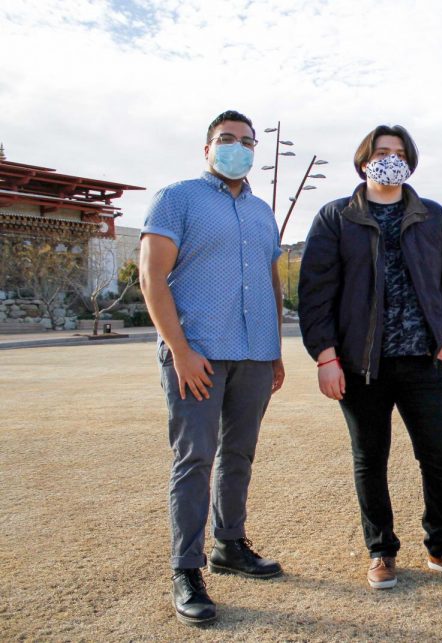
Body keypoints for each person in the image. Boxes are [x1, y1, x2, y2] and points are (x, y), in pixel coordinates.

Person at [298, 124, 442, 590]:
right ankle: (381, 550)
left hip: (425, 361)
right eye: (382, 152)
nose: (390, 159)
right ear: (364, 160)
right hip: (361, 365)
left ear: (410, 162)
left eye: (399, 153)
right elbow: (316, 295)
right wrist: (325, 356)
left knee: (439, 456)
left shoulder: (434, 217)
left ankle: (441, 546)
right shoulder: (336, 218)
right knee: (370, 458)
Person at [140, 110, 285, 626]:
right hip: (197, 354)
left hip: (253, 354)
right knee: (194, 459)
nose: (238, 147)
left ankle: (230, 545)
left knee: (239, 454)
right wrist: (179, 349)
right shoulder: (176, 199)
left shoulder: (263, 212)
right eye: (226, 139)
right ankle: (187, 568)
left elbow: (272, 283)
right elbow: (152, 277)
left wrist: (275, 350)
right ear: (207, 149)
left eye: (247, 141)